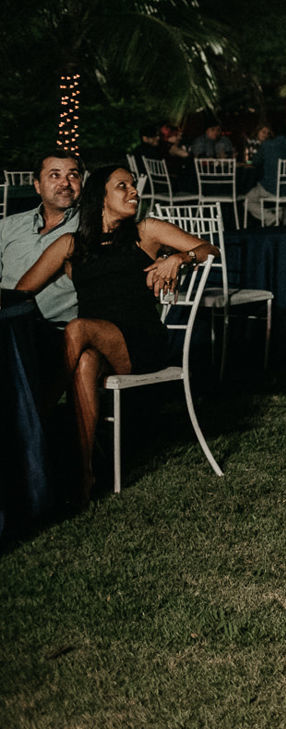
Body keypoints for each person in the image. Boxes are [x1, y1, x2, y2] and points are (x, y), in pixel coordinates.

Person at [14, 167, 215, 500]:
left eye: (133, 186)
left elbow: (210, 250)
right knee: (85, 363)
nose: (133, 191)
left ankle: (33, 423)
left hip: (142, 342)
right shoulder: (70, 245)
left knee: (77, 328)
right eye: (122, 186)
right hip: (96, 344)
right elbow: (22, 291)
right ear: (101, 197)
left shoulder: (146, 232)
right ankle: (85, 475)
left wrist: (180, 258)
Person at [1, 153, 84, 386]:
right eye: (54, 175)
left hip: (51, 333)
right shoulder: (9, 226)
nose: (65, 183)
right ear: (37, 185)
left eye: (73, 176)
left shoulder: (90, 230)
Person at [244, 113, 286, 222]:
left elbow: (255, 162)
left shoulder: (267, 145)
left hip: (274, 189)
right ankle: (280, 218)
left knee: (248, 199)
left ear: (272, 132)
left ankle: (272, 218)